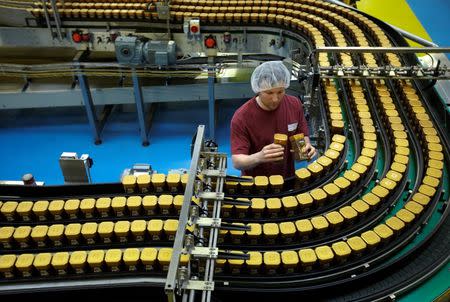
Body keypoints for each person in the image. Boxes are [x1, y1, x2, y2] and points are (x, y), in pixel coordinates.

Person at [230, 61, 317, 178]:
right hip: (257, 184)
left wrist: (306, 148)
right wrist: (260, 157)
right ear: (258, 89)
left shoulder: (294, 104)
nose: (275, 99)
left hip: (286, 178)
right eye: (269, 93)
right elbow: (237, 161)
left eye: (280, 92)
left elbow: (301, 135)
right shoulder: (242, 117)